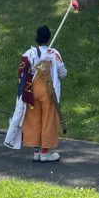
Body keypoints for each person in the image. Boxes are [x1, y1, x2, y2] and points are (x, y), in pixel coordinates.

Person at [22, 25, 67, 162]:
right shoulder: (54, 53)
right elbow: (63, 73)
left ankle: (36, 151)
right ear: (49, 38)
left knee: (34, 120)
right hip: (49, 91)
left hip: (32, 90)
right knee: (48, 120)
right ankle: (45, 152)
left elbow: (23, 73)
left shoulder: (28, 53)